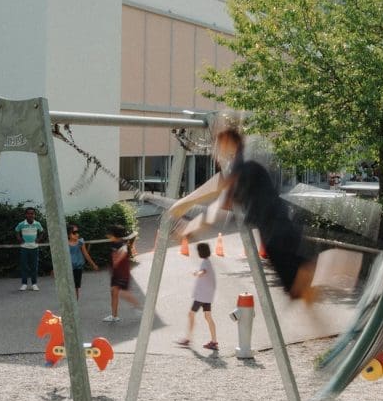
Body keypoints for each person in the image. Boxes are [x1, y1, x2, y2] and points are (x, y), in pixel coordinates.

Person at [167, 126, 316, 302]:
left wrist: (187, 213)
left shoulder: (242, 166)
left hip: (278, 237)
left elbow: (220, 196)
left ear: (226, 142)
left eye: (217, 145)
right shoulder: (243, 164)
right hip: (278, 234)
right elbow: (221, 194)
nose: (215, 152)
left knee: (304, 285)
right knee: (303, 293)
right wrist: (187, 212)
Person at [176, 241, 219, 350]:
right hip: (207, 295)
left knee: (191, 314)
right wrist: (199, 273)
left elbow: (203, 272)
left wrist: (197, 273)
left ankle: (188, 339)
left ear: (201, 252)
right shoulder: (207, 261)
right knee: (208, 316)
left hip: (201, 296)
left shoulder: (205, 263)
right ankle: (214, 342)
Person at [103, 224, 141, 322]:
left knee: (123, 293)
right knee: (113, 293)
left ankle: (138, 307)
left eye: (110, 234)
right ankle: (114, 316)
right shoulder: (114, 243)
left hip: (122, 274)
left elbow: (121, 256)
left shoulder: (122, 245)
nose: (108, 235)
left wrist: (116, 261)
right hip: (116, 274)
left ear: (114, 235)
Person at [15, 207, 45, 292]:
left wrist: (38, 239)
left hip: (34, 248)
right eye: (28, 213)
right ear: (26, 215)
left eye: (32, 213)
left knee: (34, 267)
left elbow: (42, 231)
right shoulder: (22, 224)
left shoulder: (37, 224)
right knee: (24, 266)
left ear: (34, 215)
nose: (30, 215)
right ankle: (24, 284)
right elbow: (16, 231)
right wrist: (19, 238)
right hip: (24, 248)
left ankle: (34, 284)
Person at [67, 223, 99, 299]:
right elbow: (61, 256)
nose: (77, 234)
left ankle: (75, 304)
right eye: (74, 232)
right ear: (68, 234)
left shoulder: (80, 242)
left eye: (77, 232)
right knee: (68, 288)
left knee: (76, 288)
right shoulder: (65, 243)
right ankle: (69, 304)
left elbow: (86, 254)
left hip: (78, 268)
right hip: (68, 268)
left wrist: (93, 264)